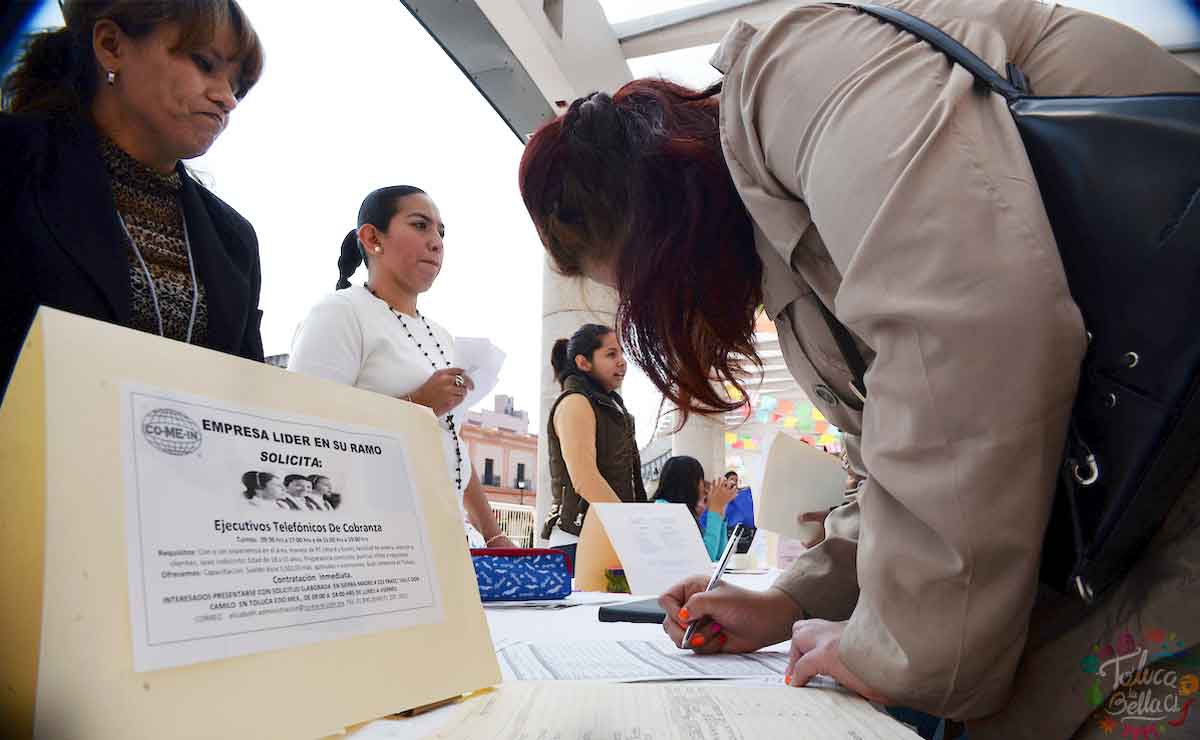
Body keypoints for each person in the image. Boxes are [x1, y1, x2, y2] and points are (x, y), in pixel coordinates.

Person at [517, 1, 1200, 736]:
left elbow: (967, 328)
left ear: (655, 225)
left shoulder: (793, 71)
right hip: (1132, 503)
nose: (667, 319)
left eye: (641, 290)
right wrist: (793, 599)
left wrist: (901, 653)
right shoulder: (784, 246)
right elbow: (889, 456)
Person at [0, 0, 267, 397]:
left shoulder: (235, 239)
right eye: (205, 64)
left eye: (238, 86)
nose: (227, 99)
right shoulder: (13, 161)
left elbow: (247, 394)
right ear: (111, 46)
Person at [287, 186, 514, 548]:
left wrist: (494, 534)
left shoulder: (441, 336)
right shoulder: (340, 312)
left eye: (441, 232)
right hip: (372, 544)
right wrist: (418, 405)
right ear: (372, 237)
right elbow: (303, 428)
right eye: (420, 225)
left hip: (447, 541)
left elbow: (450, 441)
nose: (437, 242)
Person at [543, 323, 647, 566]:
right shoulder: (575, 402)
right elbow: (585, 479)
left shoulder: (609, 405)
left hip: (605, 536)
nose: (622, 362)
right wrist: (629, 528)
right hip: (578, 540)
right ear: (583, 362)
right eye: (611, 354)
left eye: (622, 354)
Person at [653, 456, 737, 561]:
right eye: (700, 479)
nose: (703, 487)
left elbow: (720, 558)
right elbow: (705, 559)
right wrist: (715, 510)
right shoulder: (666, 512)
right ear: (689, 482)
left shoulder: (679, 511)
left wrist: (721, 508)